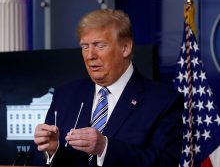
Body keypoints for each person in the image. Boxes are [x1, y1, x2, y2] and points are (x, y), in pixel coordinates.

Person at [32, 9, 183, 167]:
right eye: (85, 46)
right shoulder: (65, 95)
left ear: (125, 48)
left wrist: (105, 148)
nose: (90, 55)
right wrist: (51, 151)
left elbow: (164, 163)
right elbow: (36, 159)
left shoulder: (163, 100)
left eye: (99, 45)